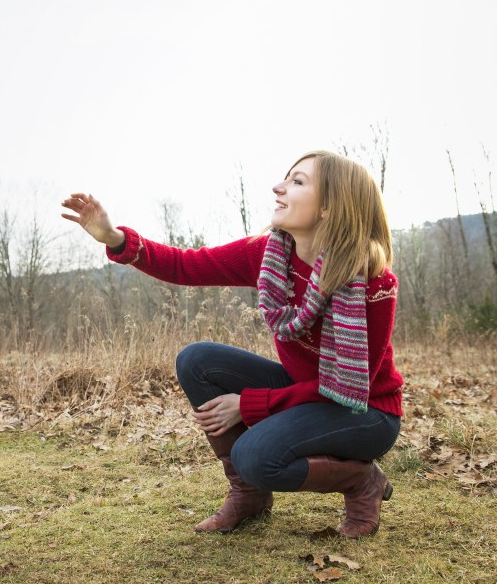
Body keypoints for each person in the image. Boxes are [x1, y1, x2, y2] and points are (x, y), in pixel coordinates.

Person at [60, 151, 403, 537]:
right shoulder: (270, 255)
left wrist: (249, 404)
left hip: (364, 411)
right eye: (285, 178)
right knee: (197, 361)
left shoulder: (372, 281)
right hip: (306, 394)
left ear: (329, 207)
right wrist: (116, 239)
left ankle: (361, 481)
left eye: (297, 181)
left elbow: (349, 386)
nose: (279, 187)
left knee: (254, 455)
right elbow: (186, 265)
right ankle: (249, 494)